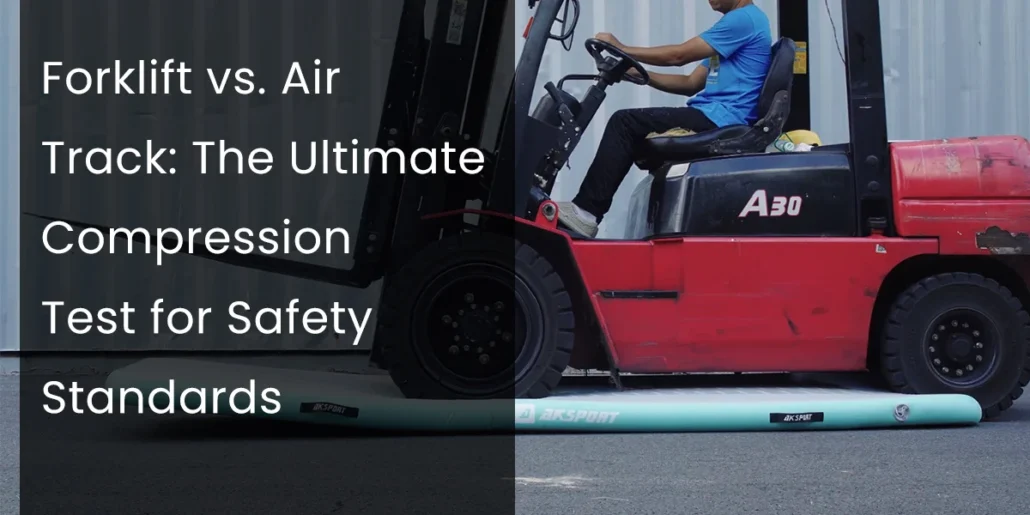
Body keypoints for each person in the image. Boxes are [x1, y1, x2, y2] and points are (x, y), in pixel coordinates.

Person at [557, 0, 772, 238]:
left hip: (722, 120)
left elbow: (678, 56)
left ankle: (585, 212)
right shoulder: (732, 27)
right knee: (631, 129)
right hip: (713, 115)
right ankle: (588, 210)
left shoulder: (743, 19)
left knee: (624, 123)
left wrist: (622, 48)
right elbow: (690, 83)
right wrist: (633, 72)